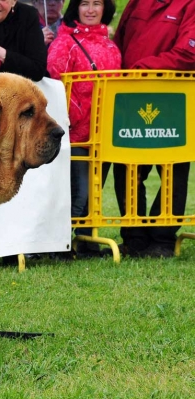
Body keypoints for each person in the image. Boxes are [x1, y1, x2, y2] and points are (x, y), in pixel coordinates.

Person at [111, 0, 195, 258]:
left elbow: (190, 52)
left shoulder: (189, 4)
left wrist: (143, 68)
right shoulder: (137, 3)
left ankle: (163, 237)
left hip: (172, 100)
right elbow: (119, 43)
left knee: (173, 169)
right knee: (126, 167)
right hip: (130, 96)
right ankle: (134, 237)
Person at [47, 0, 120, 258]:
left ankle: (87, 242)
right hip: (76, 131)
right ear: (75, 8)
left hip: (104, 132)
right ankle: (59, 245)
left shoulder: (111, 46)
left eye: (96, 4)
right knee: (78, 192)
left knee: (94, 191)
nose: (90, 10)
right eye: (84, 4)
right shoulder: (64, 43)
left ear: (105, 9)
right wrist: (76, 117)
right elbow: (58, 85)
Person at [0, 0, 47, 82]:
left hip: (21, 87)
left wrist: (1, 53)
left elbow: (38, 70)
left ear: (13, 1)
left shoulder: (27, 15)